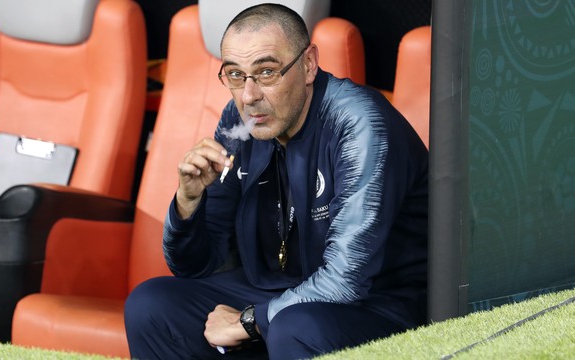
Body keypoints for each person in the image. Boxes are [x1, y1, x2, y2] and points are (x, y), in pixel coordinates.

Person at [124, 3, 428, 360]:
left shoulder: (360, 124)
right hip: (282, 290)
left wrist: (251, 321)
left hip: (380, 303)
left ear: (309, 64)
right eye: (235, 75)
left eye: (266, 72)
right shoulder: (240, 123)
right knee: (152, 306)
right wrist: (188, 203)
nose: (249, 96)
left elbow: (347, 279)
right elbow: (193, 266)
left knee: (294, 328)